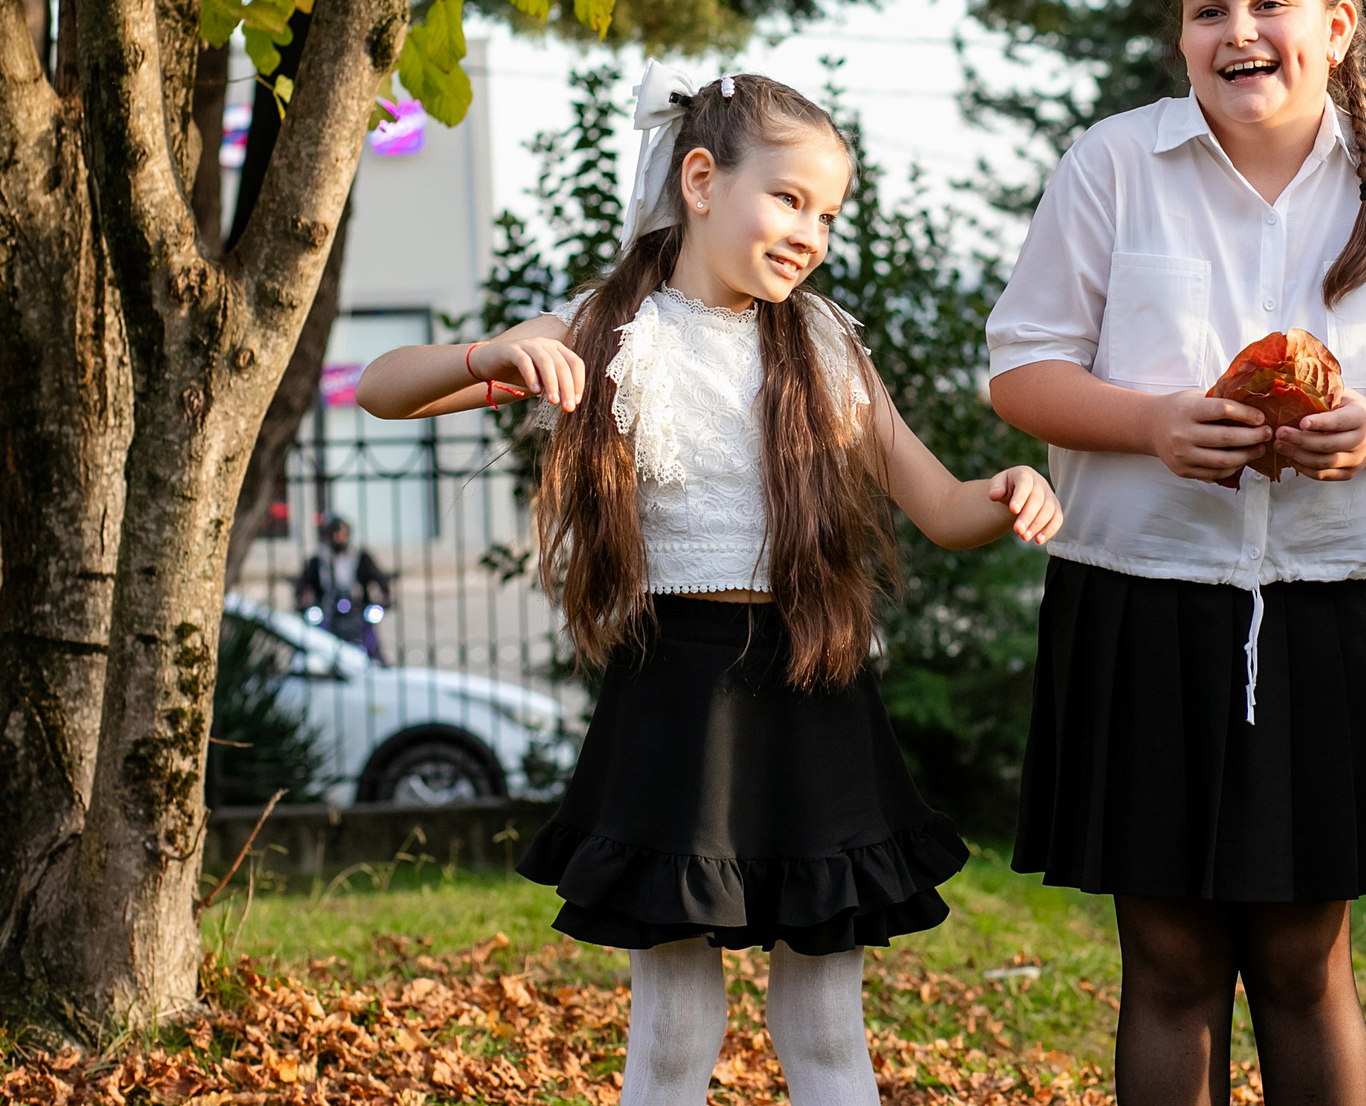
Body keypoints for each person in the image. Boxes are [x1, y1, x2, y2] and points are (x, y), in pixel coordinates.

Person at [355, 65, 1061, 1106]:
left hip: (814, 683)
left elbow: (943, 509)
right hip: (673, 694)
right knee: (675, 1028)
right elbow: (379, 390)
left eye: (827, 213)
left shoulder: (823, 347)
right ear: (700, 180)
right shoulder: (606, 331)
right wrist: (494, 352)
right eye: (789, 198)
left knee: (825, 1022)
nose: (810, 231)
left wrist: (1008, 489)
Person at [986, 0, 1366, 1106]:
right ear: (1180, 35)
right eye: (1207, 10)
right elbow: (1022, 371)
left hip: (1317, 609)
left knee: (1302, 960)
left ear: (1336, 25)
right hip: (1136, 601)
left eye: (1268, 4)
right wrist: (1159, 423)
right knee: (1166, 962)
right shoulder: (1114, 162)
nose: (1237, 32)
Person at [292, 512, 393, 657]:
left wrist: (385, 594)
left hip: (357, 607)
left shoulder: (359, 556)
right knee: (316, 636)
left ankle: (375, 658)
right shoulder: (319, 560)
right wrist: (302, 598)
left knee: (369, 634)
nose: (340, 538)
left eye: (343, 534)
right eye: (336, 534)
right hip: (327, 608)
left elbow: (378, 576)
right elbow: (304, 582)